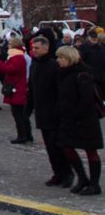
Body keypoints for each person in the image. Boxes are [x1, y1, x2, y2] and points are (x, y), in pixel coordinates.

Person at [55, 45, 102, 195]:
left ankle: (94, 184)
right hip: (68, 118)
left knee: (90, 151)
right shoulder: (62, 74)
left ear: (69, 58)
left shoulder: (82, 74)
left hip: (85, 120)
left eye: (61, 58)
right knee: (67, 147)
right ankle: (82, 178)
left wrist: (76, 114)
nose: (58, 61)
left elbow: (86, 99)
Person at [28, 33, 70, 187]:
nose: (34, 50)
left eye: (37, 48)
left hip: (54, 112)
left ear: (46, 48)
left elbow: (60, 90)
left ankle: (67, 173)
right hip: (41, 112)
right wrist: (29, 107)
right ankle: (57, 173)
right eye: (33, 48)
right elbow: (31, 89)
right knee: (49, 147)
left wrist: (59, 110)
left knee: (58, 146)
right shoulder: (34, 65)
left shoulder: (53, 65)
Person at [0, 34, 32, 143]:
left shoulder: (17, 57)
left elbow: (9, 69)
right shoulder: (16, 56)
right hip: (18, 87)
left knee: (18, 114)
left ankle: (23, 136)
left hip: (17, 88)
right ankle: (27, 134)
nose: (7, 46)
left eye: (10, 44)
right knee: (21, 114)